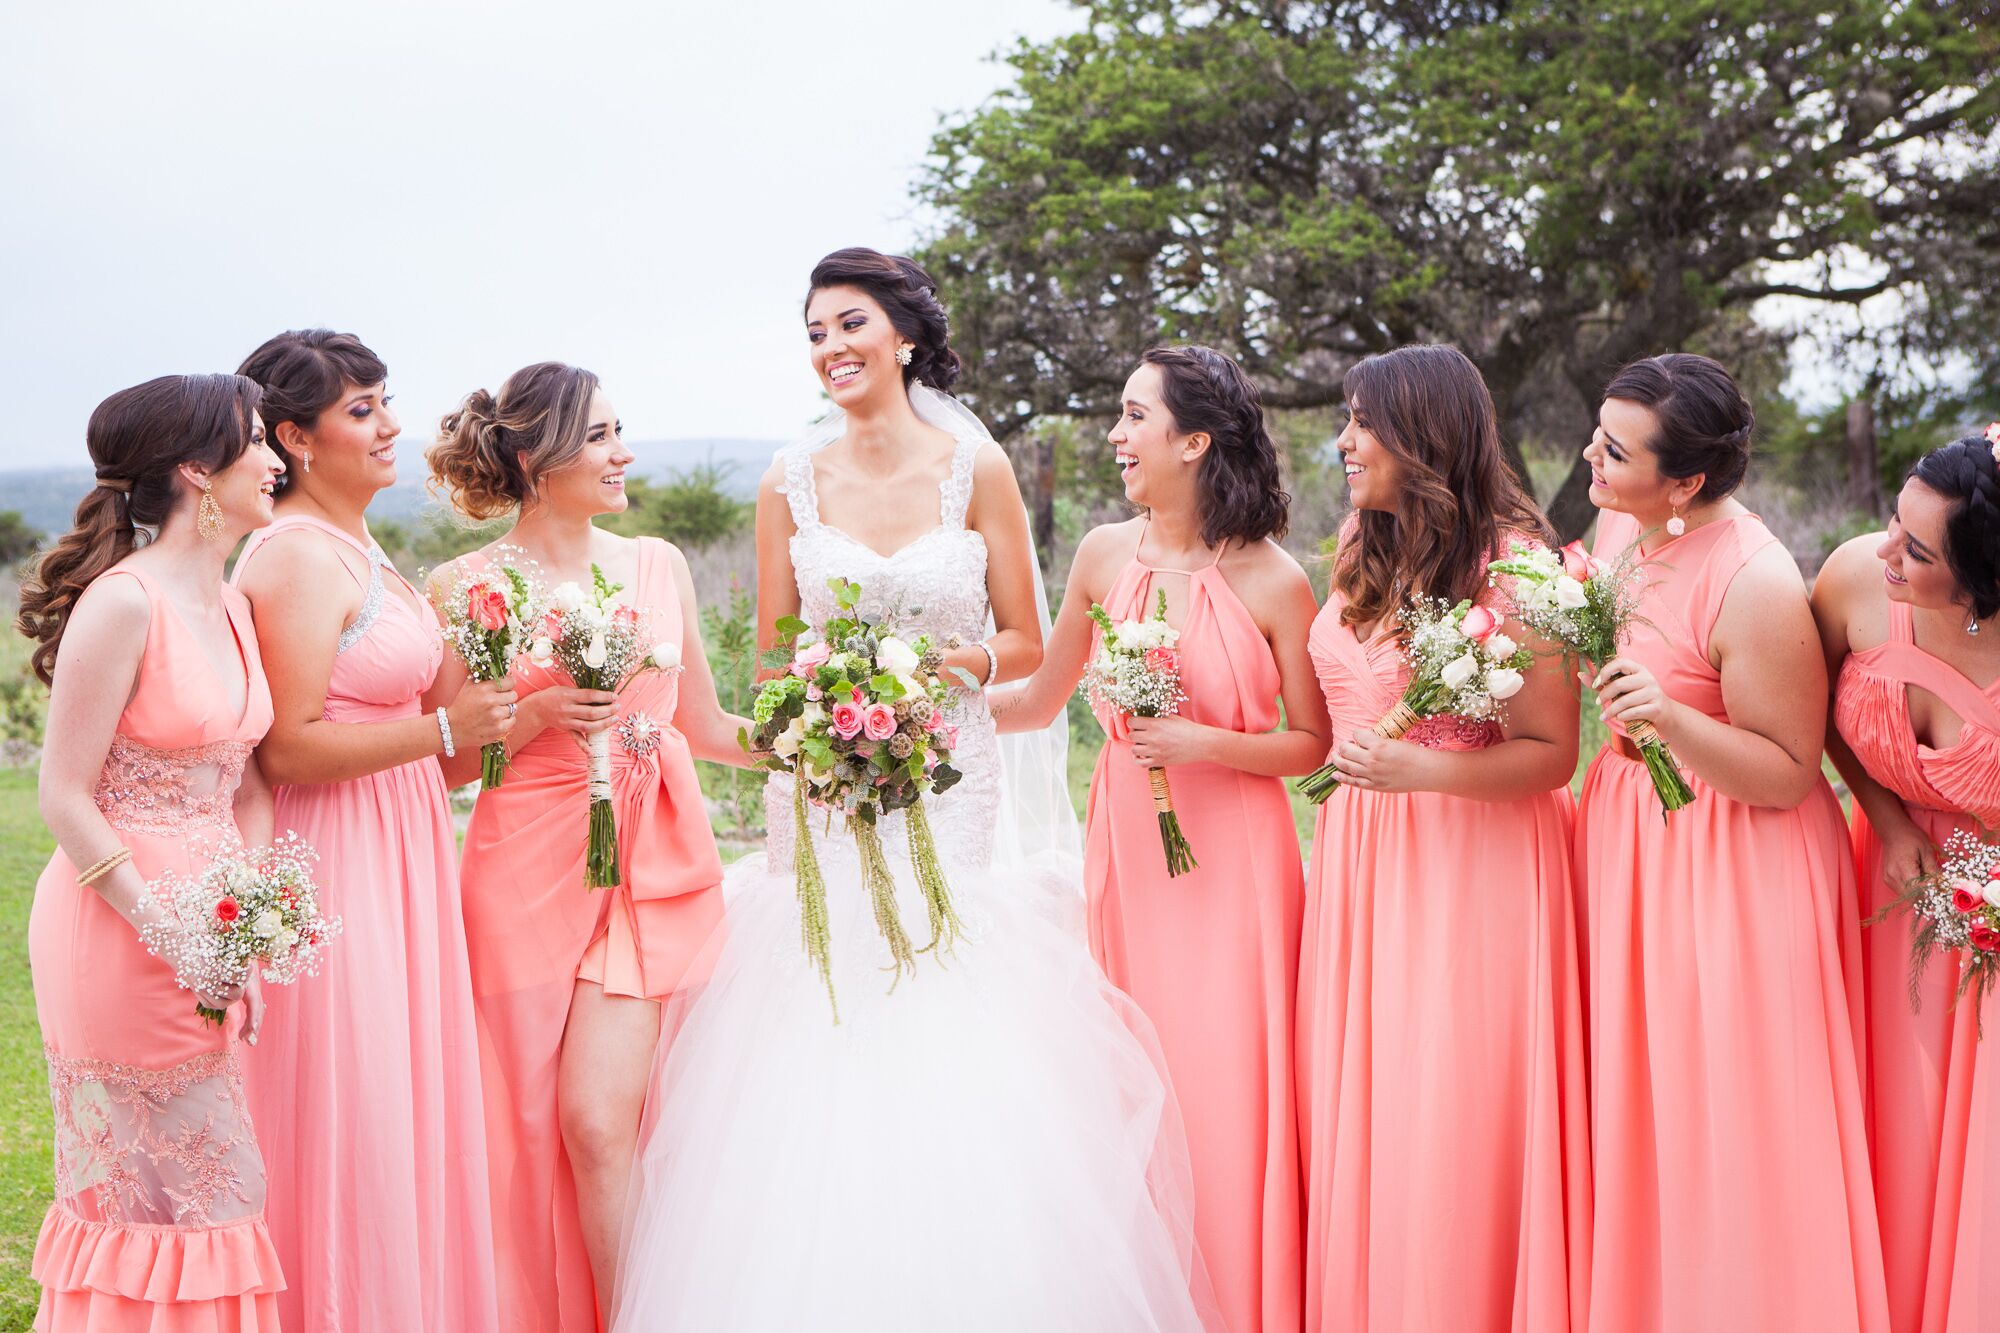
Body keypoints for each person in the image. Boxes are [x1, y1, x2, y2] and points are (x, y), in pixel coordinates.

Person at [610, 248, 1214, 1332]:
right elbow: (777, 651)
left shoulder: (969, 467)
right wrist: (827, 709)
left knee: (946, 989)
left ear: (901, 337)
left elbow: (1025, 638)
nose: (829, 349)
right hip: (832, 787)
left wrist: (951, 671)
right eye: (812, 334)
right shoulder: (783, 482)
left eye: (847, 325)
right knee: (821, 1004)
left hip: (951, 775)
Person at [997, 344, 1326, 1333]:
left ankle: (1245, 1301)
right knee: (1133, 1082)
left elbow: (1311, 743)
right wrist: (920, 703)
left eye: (1135, 416)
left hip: (1238, 871)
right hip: (1131, 855)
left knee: (1229, 1092)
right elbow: (1042, 697)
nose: (1115, 435)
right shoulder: (1103, 554)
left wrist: (1206, 742)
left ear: (1194, 439)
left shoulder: (1274, 579)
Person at [429, 362, 746, 1330]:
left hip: (647, 864)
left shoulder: (657, 562)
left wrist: (835, 747)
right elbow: (443, 764)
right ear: (533, 457)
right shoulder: (463, 583)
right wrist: (531, 719)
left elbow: (704, 720)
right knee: (515, 1122)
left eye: (620, 431)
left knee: (598, 1124)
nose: (623, 453)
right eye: (601, 436)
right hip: (521, 868)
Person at [1577, 352, 1888, 1332]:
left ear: (1684, 482)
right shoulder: (1616, 523)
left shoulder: (1752, 581)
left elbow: (1789, 770)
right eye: (1597, 428)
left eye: (1613, 447)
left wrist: (1664, 717)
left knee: (1729, 1116)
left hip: (1729, 867)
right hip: (1632, 834)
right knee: (1646, 1106)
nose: (1589, 452)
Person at [1296, 344, 1590, 1332]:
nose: (1343, 442)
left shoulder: (1516, 570)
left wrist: (1421, 770)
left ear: (1422, 436)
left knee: (1449, 1112)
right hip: (1362, 864)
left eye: (1362, 423)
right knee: (1376, 1110)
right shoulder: (1360, 542)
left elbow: (1551, 752)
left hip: (1471, 868)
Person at [232, 329, 510, 1331]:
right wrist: (443, 725)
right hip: (334, 865)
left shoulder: (367, 551)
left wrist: (494, 676)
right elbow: (287, 749)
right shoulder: (296, 557)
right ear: (296, 439)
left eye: (385, 401)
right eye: (362, 410)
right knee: (349, 1114)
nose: (390, 425)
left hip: (403, 850)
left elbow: (439, 744)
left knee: (401, 1113)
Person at [18, 373, 287, 1331]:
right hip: (121, 929)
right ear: (195, 471)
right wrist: (169, 926)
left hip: (216, 928)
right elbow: (63, 794)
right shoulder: (121, 604)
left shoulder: (236, 606)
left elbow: (248, 783)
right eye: (257, 440)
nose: (276, 459)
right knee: (179, 1197)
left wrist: (244, 912)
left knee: (207, 1193)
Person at [1817, 428, 2000, 1333]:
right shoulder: (1854, 579)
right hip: (1873, 886)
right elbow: (1807, 709)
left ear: (1980, 590)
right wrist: (1887, 818)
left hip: (1986, 919)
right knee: (1877, 1119)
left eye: (1917, 550)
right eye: (1896, 519)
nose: (1885, 548)